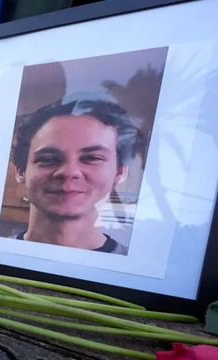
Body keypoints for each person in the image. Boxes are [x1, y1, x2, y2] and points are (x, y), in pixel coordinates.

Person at [9, 95, 143, 255]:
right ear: (20, 171)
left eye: (92, 158)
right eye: (48, 159)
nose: (69, 172)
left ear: (120, 172)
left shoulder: (136, 272)